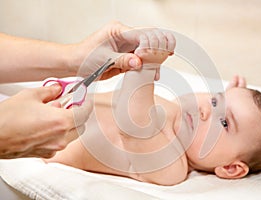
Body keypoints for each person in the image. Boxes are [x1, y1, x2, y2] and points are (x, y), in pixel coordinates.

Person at [45, 33, 261, 186]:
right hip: (50, 101)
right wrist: (233, 97)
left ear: (231, 168)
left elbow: (133, 124)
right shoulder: (175, 110)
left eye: (224, 123)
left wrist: (147, 68)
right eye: (215, 101)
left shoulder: (171, 167)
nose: (205, 111)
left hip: (40, 141)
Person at [0, 21, 171, 159]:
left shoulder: (173, 166)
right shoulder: (168, 107)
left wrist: (144, 71)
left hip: (43, 138)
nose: (198, 114)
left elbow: (134, 130)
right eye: (197, 106)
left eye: (197, 126)